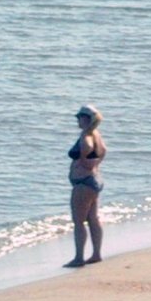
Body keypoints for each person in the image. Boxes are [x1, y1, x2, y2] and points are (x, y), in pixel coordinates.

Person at [65, 106, 106, 268]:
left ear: (86, 119)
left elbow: (88, 149)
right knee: (93, 219)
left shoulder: (87, 137)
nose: (77, 120)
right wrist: (96, 163)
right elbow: (104, 150)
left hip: (84, 182)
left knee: (79, 221)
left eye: (79, 118)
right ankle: (96, 254)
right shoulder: (96, 135)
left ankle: (79, 257)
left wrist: (84, 161)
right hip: (93, 180)